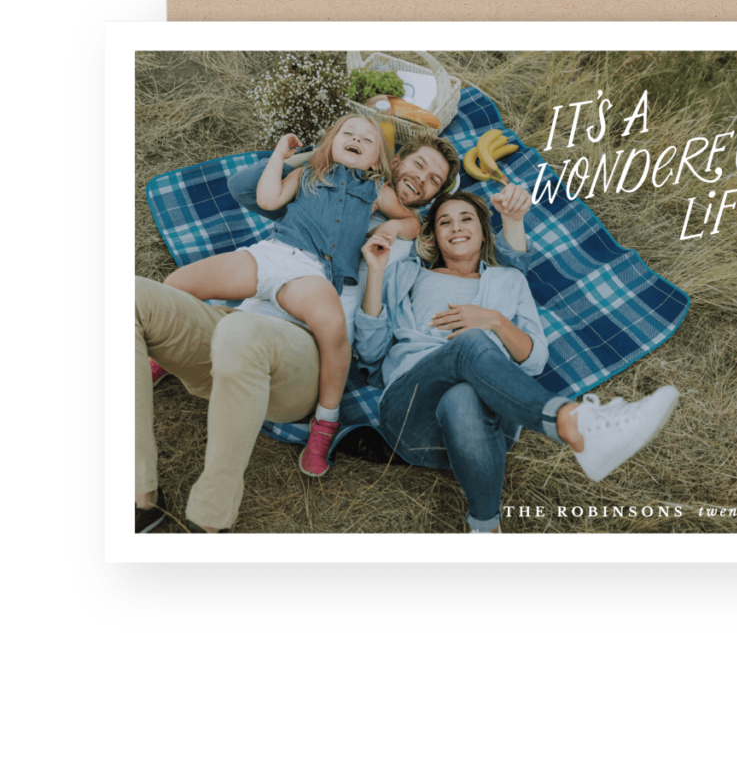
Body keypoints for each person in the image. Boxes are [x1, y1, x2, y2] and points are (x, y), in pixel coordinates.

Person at [135, 132, 530, 534]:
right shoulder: (323, 188)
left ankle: (207, 522)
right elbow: (244, 189)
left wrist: (511, 224)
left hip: (293, 347)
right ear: (394, 162)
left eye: (433, 181)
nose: (421, 180)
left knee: (241, 329)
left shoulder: (414, 253)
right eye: (418, 165)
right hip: (234, 320)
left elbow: (495, 276)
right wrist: (319, 156)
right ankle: (138, 498)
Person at [356, 191, 681, 534]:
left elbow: (535, 359)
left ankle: (485, 526)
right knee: (469, 342)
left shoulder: (509, 280)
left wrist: (495, 320)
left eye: (466, 218)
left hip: (481, 427)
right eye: (444, 222)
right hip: (411, 413)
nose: (456, 227)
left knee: (462, 395)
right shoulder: (409, 276)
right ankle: (571, 422)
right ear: (434, 235)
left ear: (483, 231)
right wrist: (376, 273)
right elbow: (371, 353)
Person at [159, 113, 420, 478]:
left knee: (332, 330)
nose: (356, 138)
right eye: (348, 132)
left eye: (367, 139)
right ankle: (161, 356)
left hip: (312, 272)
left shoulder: (376, 191)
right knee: (177, 282)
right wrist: (280, 155)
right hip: (272, 253)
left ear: (376, 160)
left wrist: (392, 225)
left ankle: (325, 425)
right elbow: (267, 199)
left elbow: (413, 222)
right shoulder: (307, 174)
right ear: (330, 143)